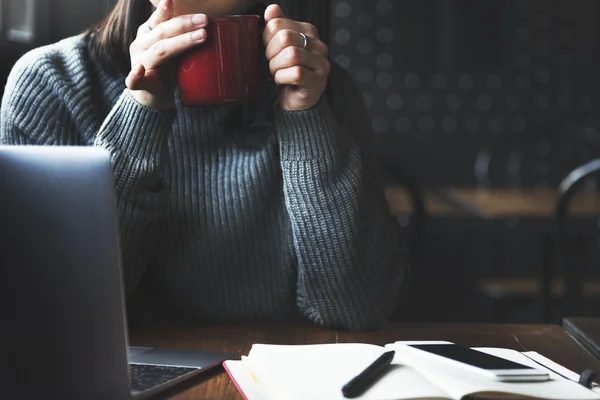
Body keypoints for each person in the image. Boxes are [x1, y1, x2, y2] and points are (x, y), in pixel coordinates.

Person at [0, 0, 410, 329]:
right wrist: (141, 110)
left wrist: (307, 115)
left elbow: (357, 308)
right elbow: (54, 315)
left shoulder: (322, 89)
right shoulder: (52, 83)